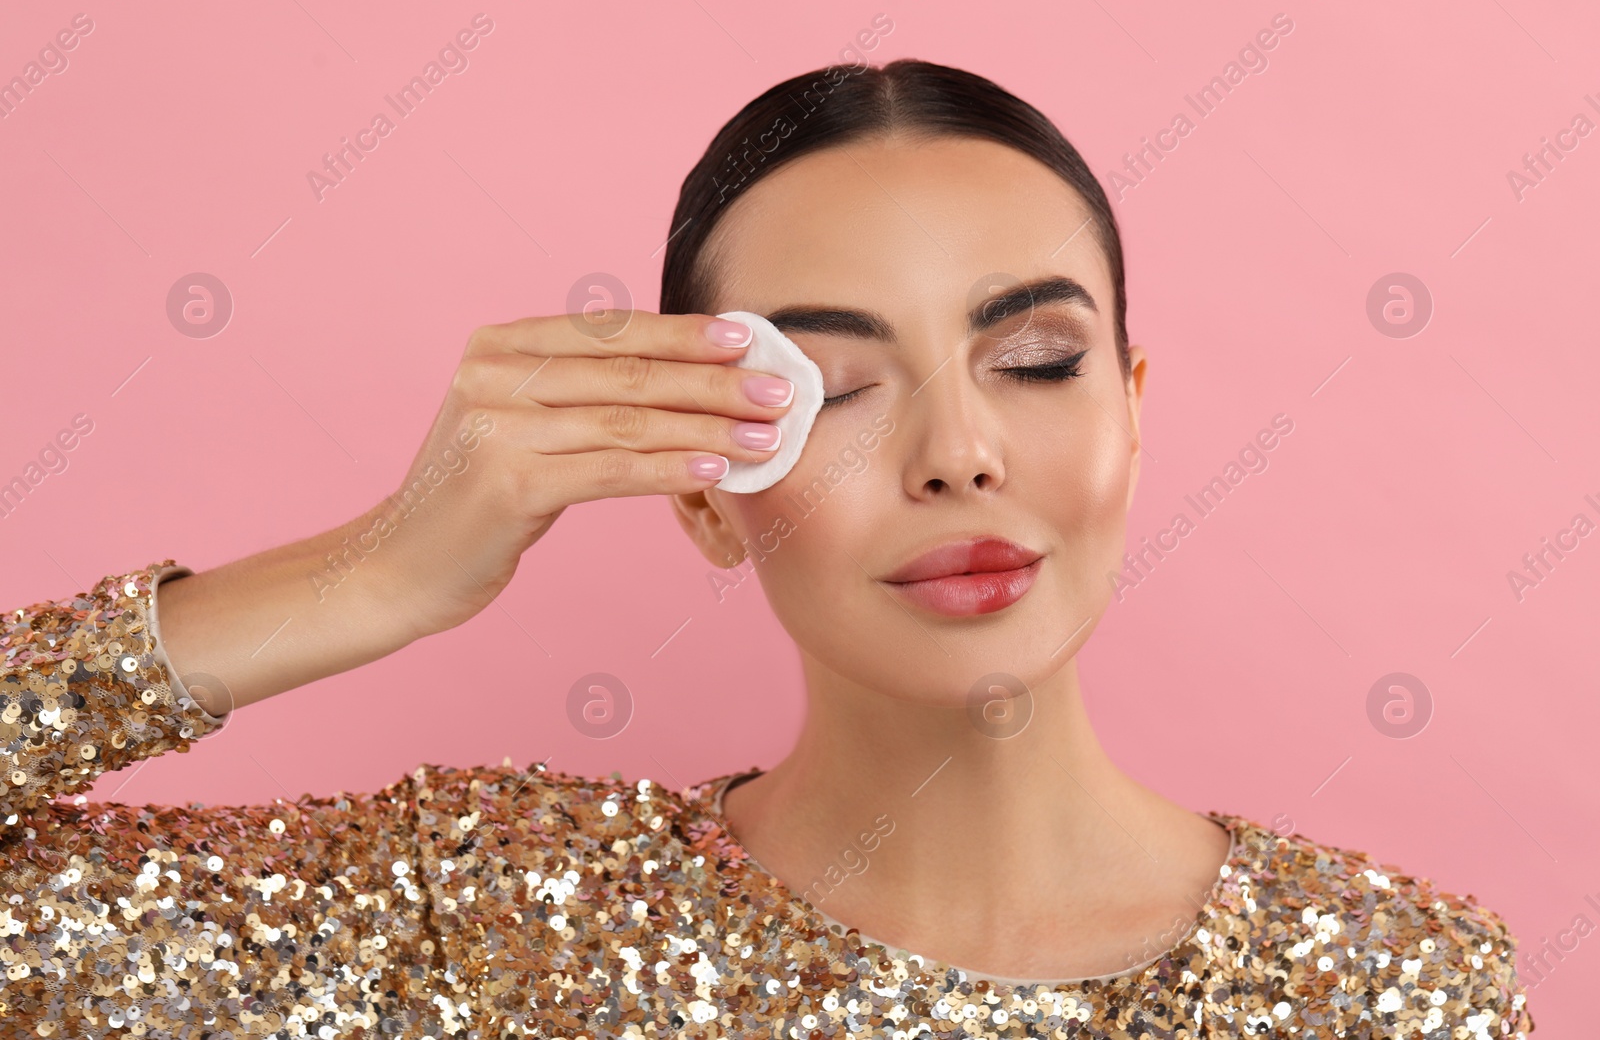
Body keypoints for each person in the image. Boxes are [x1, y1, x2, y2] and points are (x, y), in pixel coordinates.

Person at [1, 59, 1533, 1038]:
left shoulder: (1413, 983)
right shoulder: (479, 920)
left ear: (1133, 412)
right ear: (698, 491)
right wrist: (380, 573)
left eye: (1041, 360)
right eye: (840, 386)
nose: (958, 452)